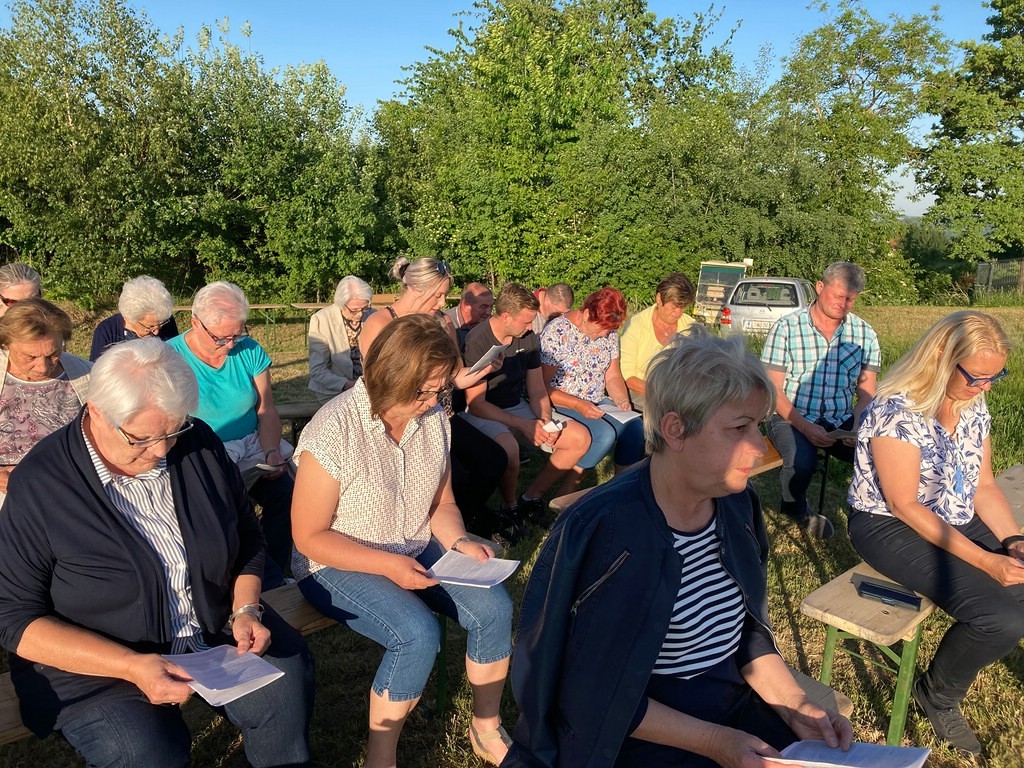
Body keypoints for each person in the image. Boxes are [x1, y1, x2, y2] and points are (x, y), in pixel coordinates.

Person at [505, 325, 853, 767]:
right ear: (675, 429)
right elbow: (591, 689)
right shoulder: (608, 532)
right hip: (632, 733)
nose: (757, 446)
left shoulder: (736, 505)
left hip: (729, 704)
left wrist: (794, 704)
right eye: (739, 428)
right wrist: (716, 743)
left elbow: (745, 633)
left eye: (758, 426)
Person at [0, 339, 314, 768]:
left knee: (285, 681)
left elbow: (247, 535)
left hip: (212, 625)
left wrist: (245, 608)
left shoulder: (197, 443)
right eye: (141, 438)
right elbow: (14, 618)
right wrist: (131, 666)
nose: (161, 451)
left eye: (173, 431)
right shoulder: (41, 483)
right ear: (96, 411)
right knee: (143, 752)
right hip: (101, 659)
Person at [292, 314, 513, 768]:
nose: (433, 402)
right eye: (423, 391)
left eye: (439, 391)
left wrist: (458, 541)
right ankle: (381, 759)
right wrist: (388, 566)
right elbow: (309, 536)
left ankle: (486, 727)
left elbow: (442, 503)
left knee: (494, 608)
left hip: (411, 541)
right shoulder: (333, 430)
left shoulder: (433, 418)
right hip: (335, 561)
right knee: (415, 634)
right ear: (391, 375)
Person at [847, 310, 1024, 756]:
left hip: (952, 509)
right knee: (1000, 617)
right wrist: (986, 561)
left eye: (995, 377)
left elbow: (984, 485)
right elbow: (904, 505)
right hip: (888, 523)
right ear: (943, 357)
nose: (985, 387)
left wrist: (1014, 542)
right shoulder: (896, 410)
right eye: (977, 377)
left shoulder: (971, 404)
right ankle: (937, 695)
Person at [361, 257, 507, 532]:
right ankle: (438, 527)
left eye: (445, 295)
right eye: (437, 295)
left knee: (494, 459)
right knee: (456, 476)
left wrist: (485, 367)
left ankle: (463, 521)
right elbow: (377, 386)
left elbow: (456, 376)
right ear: (416, 288)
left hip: (441, 415)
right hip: (401, 421)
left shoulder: (442, 322)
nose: (442, 302)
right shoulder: (380, 324)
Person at [167, 282, 294, 585]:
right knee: (230, 508)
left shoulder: (248, 350)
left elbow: (266, 409)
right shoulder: (168, 357)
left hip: (252, 447)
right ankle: (253, 579)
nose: (230, 344)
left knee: (286, 493)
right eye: (221, 338)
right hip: (200, 452)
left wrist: (271, 451)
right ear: (195, 322)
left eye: (238, 334)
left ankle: (276, 570)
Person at [761, 262, 881, 540]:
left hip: (840, 418)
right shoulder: (786, 328)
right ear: (819, 287)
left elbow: (867, 392)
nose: (843, 304)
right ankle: (797, 509)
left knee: (880, 454)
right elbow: (773, 390)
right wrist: (805, 427)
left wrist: (858, 425)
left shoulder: (865, 334)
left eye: (851, 299)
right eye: (838, 296)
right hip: (790, 414)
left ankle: (871, 516)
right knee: (801, 462)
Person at [460, 283, 590, 534]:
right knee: (509, 448)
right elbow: (476, 404)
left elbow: (537, 388)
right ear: (506, 316)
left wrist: (545, 420)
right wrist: (524, 425)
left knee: (579, 438)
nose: (531, 327)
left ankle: (531, 498)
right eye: (526, 321)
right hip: (483, 411)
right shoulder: (478, 339)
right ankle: (510, 507)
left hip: (517, 406)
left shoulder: (527, 336)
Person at [541, 286, 645, 474]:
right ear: (587, 314)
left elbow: (612, 375)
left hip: (597, 401)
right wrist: (578, 404)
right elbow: (541, 386)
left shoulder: (609, 331)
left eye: (608, 330)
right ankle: (569, 486)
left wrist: (622, 400)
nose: (604, 335)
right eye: (600, 329)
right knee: (604, 434)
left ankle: (619, 484)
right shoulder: (557, 332)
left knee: (635, 429)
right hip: (563, 402)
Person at [0, 298, 91, 503]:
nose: (43, 367)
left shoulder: (88, 375)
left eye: (53, 354)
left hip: (67, 490)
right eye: (30, 357)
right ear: (6, 344)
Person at [619, 272, 697, 411]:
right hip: (641, 393)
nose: (678, 313)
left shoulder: (692, 327)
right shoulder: (636, 325)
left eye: (683, 307)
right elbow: (628, 377)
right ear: (659, 299)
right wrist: (663, 395)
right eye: (674, 307)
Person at [307, 274, 375, 403]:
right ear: (341, 304)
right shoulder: (321, 320)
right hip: (334, 391)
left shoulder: (373, 316)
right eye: (354, 310)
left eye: (365, 308)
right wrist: (349, 385)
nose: (360, 314)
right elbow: (318, 370)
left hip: (370, 389)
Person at [89, 275, 180, 361]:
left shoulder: (166, 322)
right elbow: (96, 369)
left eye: (160, 324)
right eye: (150, 327)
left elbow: (175, 358)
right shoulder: (107, 331)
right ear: (130, 319)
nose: (157, 332)